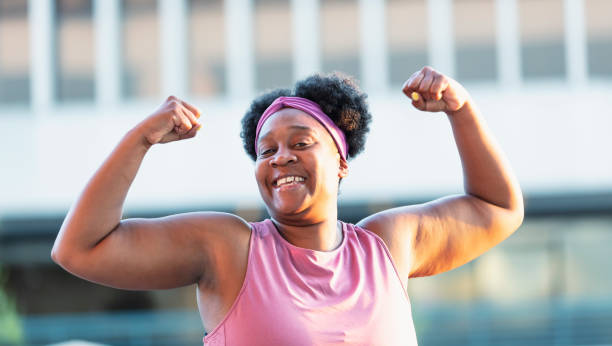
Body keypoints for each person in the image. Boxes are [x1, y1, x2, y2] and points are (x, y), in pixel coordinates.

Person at [51, 66, 524, 345]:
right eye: (267, 151)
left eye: (301, 142)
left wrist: (461, 109)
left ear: (341, 162)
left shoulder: (388, 245)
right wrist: (141, 138)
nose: (281, 158)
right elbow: (79, 248)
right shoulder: (229, 248)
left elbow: (498, 207)